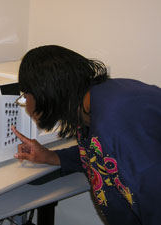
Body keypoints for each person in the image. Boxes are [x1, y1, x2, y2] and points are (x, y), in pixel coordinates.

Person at [11, 45, 161, 225]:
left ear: (43, 92)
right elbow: (101, 154)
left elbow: (153, 195)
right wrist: (51, 156)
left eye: (25, 96)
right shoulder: (94, 104)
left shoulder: (116, 121)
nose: (26, 104)